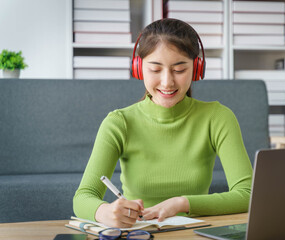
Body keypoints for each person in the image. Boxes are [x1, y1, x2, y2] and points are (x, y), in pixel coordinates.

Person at [73, 18, 253, 228]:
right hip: (139, 233)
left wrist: (182, 203)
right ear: (138, 68)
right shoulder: (119, 122)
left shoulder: (218, 117)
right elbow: (83, 196)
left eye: (179, 70)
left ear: (197, 68)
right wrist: (104, 212)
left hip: (192, 232)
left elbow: (247, 194)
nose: (167, 82)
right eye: (156, 69)